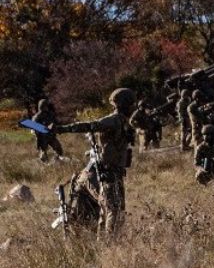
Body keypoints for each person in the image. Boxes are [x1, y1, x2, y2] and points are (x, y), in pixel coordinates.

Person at [51, 88, 138, 234]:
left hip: (113, 174)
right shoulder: (113, 120)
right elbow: (91, 125)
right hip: (102, 174)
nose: (134, 107)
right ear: (125, 104)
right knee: (113, 210)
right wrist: (61, 129)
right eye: (132, 104)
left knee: (111, 211)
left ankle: (104, 243)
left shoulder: (124, 122)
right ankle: (111, 248)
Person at [31, 97, 64, 164]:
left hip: (51, 136)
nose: (46, 107)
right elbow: (33, 128)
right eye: (45, 105)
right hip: (42, 138)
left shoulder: (50, 114)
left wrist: (55, 127)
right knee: (43, 153)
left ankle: (56, 162)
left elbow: (55, 123)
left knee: (59, 149)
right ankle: (45, 165)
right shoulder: (36, 117)